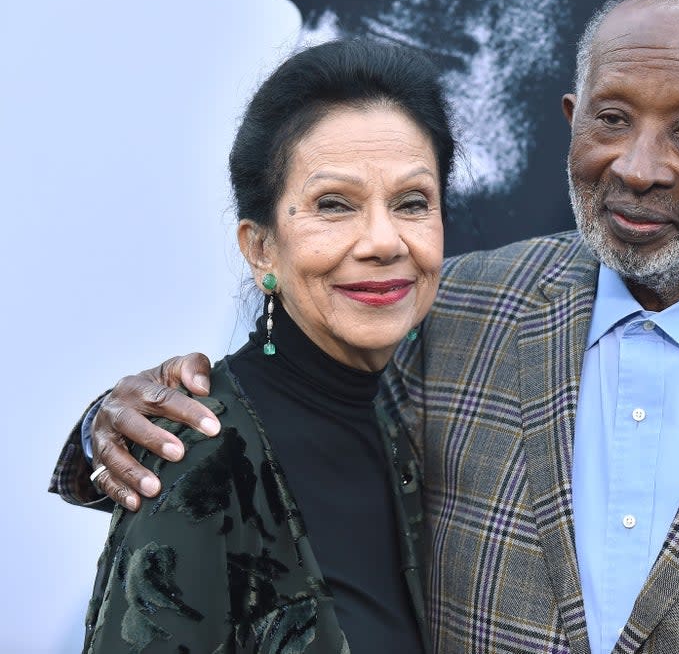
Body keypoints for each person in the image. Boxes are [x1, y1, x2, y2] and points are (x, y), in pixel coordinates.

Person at [52, 0, 679, 652]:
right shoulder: (459, 312)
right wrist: (114, 427)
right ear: (572, 119)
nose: (638, 167)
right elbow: (283, 421)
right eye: (611, 119)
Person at [67, 39, 456, 652]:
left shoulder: (427, 405)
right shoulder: (201, 455)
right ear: (260, 248)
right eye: (334, 205)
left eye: (412, 202)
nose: (384, 240)